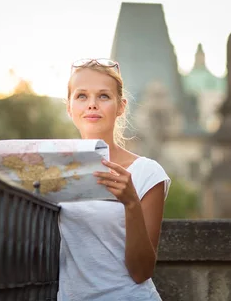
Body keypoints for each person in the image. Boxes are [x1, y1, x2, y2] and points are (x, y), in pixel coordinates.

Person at [57, 58, 171, 301]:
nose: (92, 105)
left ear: (121, 106)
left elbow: (142, 271)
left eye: (104, 96)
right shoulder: (53, 171)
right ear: (69, 107)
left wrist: (131, 204)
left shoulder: (147, 173)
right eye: (81, 96)